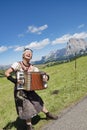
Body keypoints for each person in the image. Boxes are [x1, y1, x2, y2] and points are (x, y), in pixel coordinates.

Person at [5, 48, 58, 130]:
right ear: (23, 55)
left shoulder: (33, 68)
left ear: (31, 57)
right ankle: (29, 126)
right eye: (27, 52)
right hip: (20, 91)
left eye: (30, 53)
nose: (29, 54)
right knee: (27, 107)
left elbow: (42, 75)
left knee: (38, 101)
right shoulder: (17, 64)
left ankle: (48, 115)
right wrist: (16, 81)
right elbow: (7, 73)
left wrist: (46, 77)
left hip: (30, 90)